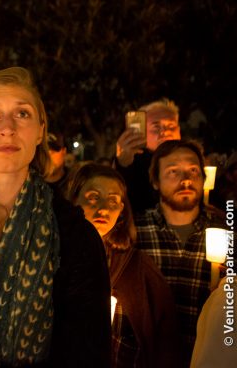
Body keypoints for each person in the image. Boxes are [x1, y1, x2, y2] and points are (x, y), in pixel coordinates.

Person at [0, 67, 111, 367]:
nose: (8, 128)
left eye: (22, 114)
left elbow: (88, 356)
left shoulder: (74, 234)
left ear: (40, 131)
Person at [67, 163, 181, 367]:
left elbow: (165, 338)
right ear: (74, 199)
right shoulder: (56, 258)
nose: (102, 208)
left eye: (112, 200)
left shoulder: (137, 267)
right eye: (93, 197)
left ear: (121, 209)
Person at [135, 139, 226, 364]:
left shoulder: (226, 232)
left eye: (193, 170)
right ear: (155, 181)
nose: (185, 180)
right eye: (173, 171)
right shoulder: (135, 232)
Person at [115, 99, 181, 214]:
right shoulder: (133, 162)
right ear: (141, 131)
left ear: (179, 131)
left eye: (171, 126)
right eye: (156, 127)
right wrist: (122, 164)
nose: (164, 132)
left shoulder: (192, 161)